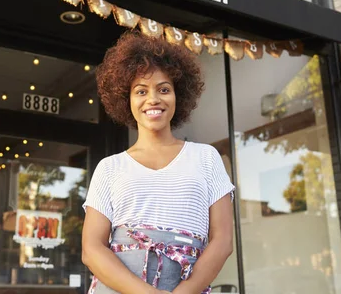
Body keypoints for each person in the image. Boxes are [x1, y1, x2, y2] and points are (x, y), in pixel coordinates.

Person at [81, 32, 235, 294]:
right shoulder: (109, 168)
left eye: (164, 89)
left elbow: (222, 241)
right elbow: (91, 249)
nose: (153, 99)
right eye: (141, 91)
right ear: (126, 99)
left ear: (178, 96)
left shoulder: (206, 158)